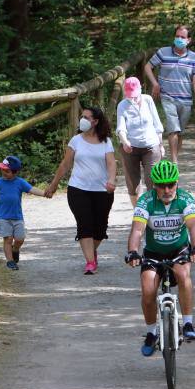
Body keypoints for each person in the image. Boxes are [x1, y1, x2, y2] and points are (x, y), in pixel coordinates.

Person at [124, 160, 195, 356]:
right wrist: (133, 251)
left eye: (171, 184)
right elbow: (137, 230)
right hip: (153, 252)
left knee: (183, 275)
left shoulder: (185, 199)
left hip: (179, 250)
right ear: (154, 185)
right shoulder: (146, 201)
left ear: (177, 182)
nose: (167, 189)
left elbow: (193, 226)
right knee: (148, 290)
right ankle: (151, 333)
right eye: (161, 185)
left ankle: (187, 324)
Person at [46, 107, 117, 275]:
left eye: (86, 117)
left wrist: (111, 180)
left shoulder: (106, 141)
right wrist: (54, 184)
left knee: (100, 229)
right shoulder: (75, 140)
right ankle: (90, 262)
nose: (82, 119)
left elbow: (112, 163)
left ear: (95, 121)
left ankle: (91, 251)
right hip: (78, 189)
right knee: (85, 225)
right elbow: (65, 164)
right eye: (81, 116)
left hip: (102, 191)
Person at [143, 24, 195, 164]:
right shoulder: (163, 52)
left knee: (180, 132)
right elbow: (148, 66)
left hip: (186, 99)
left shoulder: (193, 57)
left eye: (182, 37)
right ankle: (174, 162)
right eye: (177, 36)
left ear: (189, 40)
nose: (179, 39)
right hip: (167, 97)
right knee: (173, 129)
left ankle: (175, 157)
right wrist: (155, 83)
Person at [0, 155, 48, 271]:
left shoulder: (20, 182)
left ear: (15, 172)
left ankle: (15, 249)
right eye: (2, 169)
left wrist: (45, 193)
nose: (3, 172)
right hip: (2, 217)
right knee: (8, 239)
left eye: (7, 171)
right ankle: (10, 261)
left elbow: (32, 190)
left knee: (20, 239)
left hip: (17, 217)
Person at [116, 76, 164, 207]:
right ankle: (139, 214)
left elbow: (157, 124)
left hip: (151, 146)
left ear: (140, 89)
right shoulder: (122, 105)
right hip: (130, 148)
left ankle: (154, 212)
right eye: (130, 95)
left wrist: (161, 145)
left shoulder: (148, 100)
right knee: (133, 183)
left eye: (135, 95)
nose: (133, 98)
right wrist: (125, 142)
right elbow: (120, 128)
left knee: (153, 180)